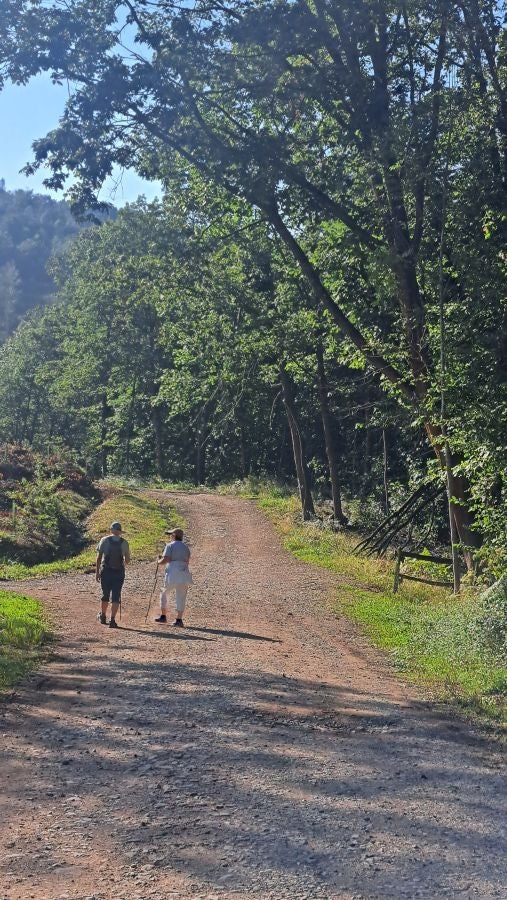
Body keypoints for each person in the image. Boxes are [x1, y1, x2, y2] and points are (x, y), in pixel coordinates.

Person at [155, 528, 192, 626]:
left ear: (174, 535)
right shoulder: (186, 548)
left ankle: (163, 616)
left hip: (173, 572)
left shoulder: (170, 545)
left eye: (171, 535)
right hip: (184, 572)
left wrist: (159, 561)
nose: (170, 536)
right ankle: (179, 619)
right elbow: (187, 561)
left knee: (165, 592)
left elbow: (166, 559)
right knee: (181, 596)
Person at [96, 522, 130, 628]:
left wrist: (97, 572)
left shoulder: (104, 540)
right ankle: (113, 620)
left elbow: (99, 557)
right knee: (116, 596)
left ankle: (103, 616)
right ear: (120, 531)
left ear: (111, 530)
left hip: (106, 571)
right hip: (119, 572)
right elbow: (127, 560)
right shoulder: (124, 543)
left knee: (105, 594)